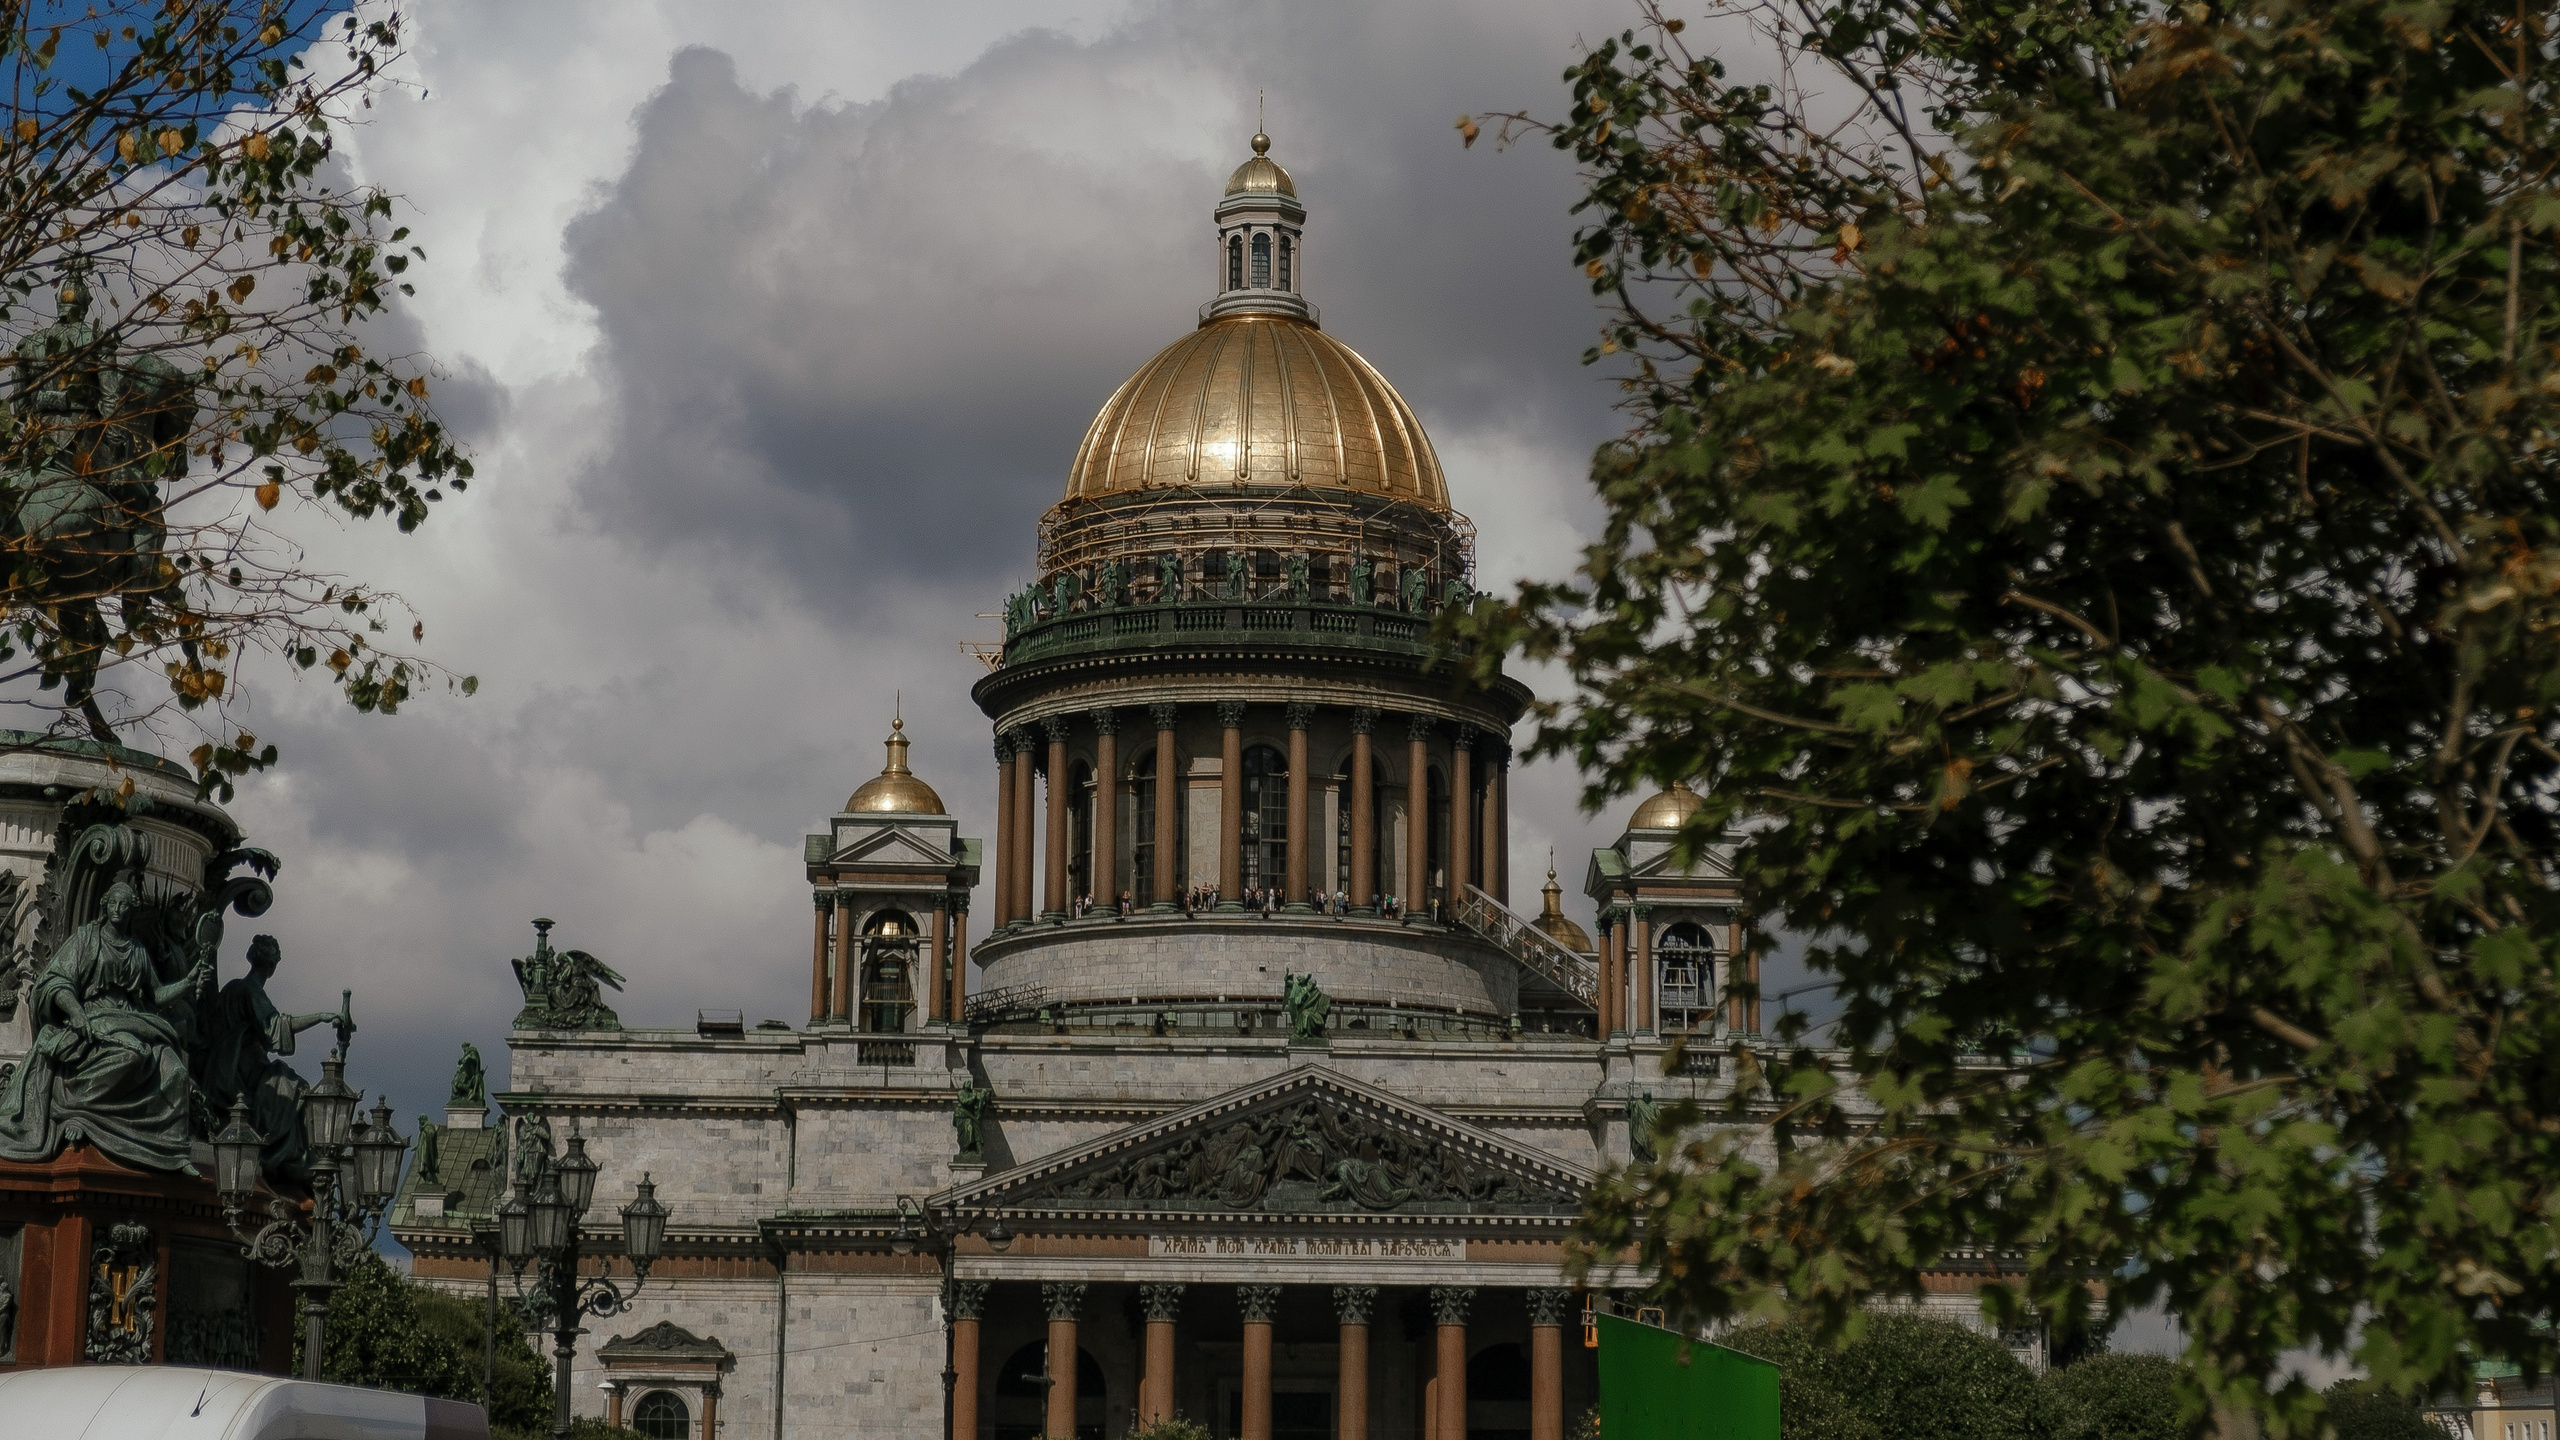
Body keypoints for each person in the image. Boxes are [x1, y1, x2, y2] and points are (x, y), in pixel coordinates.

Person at [0, 880, 211, 1172]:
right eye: (114, 903)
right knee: (131, 1055)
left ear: (131, 910)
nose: (118, 909)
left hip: (134, 1020)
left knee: (175, 1071)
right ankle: (78, 1113)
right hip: (95, 1017)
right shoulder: (86, 940)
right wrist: (76, 1013)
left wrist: (187, 982)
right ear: (105, 905)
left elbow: (157, 995)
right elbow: (56, 981)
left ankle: (174, 1151)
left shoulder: (137, 949)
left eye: (124, 905)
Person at [201, 934, 345, 1180]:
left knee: (287, 1082)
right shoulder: (250, 990)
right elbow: (275, 1028)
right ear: (272, 966)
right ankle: (291, 1159)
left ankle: (294, 1158)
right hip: (242, 1071)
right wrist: (320, 1016)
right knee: (296, 1088)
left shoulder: (232, 987)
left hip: (222, 1068)